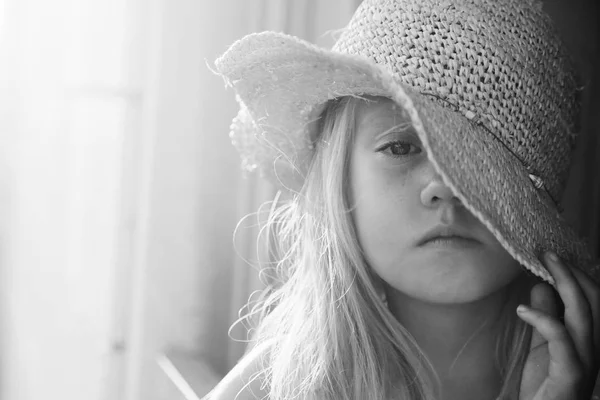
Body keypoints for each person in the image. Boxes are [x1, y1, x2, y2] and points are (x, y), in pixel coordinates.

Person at [206, 0, 600, 399]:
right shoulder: (277, 384)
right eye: (399, 147)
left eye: (487, 160)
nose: (444, 186)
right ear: (341, 181)